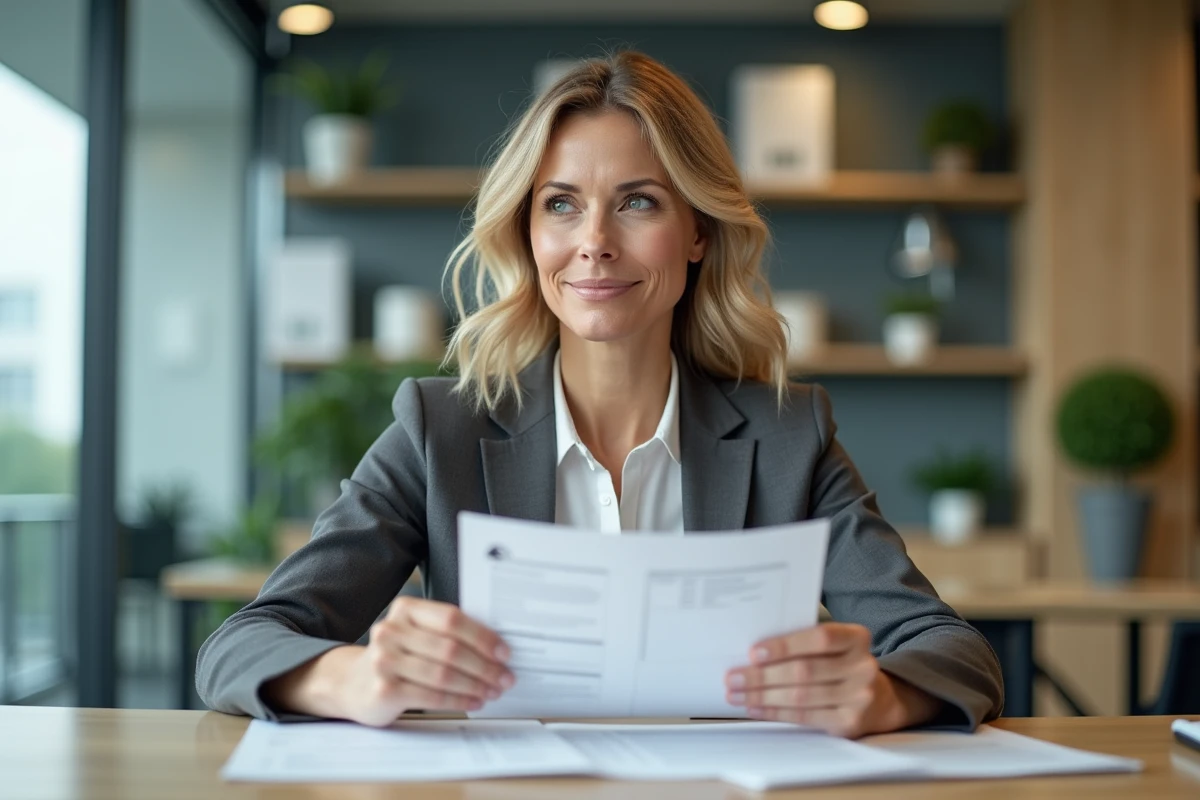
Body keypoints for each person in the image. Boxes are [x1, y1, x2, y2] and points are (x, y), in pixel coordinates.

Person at [197, 50, 1003, 738]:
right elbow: (240, 645)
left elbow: (952, 649)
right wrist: (357, 678)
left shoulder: (788, 434)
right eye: (561, 205)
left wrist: (883, 694)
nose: (594, 244)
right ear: (528, 233)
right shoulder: (437, 427)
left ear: (697, 232)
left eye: (638, 202)